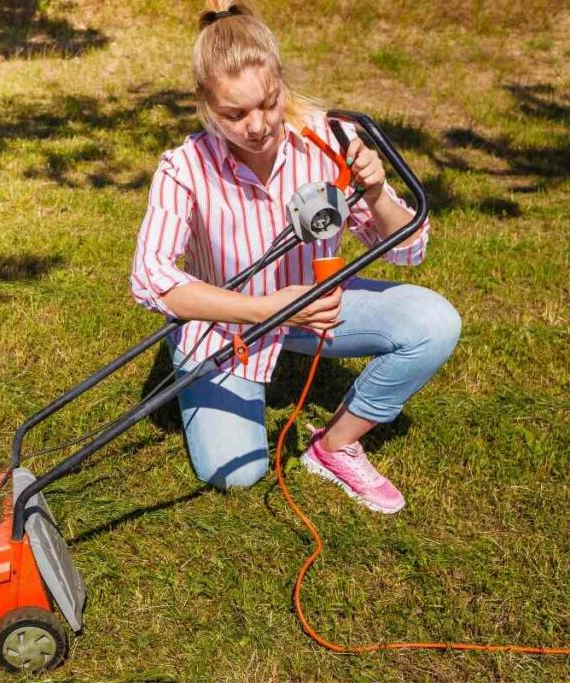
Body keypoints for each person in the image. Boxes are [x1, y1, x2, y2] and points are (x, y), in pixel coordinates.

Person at [129, 0, 461, 513]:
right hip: (229, 327)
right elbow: (152, 279)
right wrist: (268, 309)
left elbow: (409, 251)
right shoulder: (183, 168)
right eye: (233, 114)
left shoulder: (327, 140)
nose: (257, 126)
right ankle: (203, 372)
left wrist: (373, 193)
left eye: (267, 103)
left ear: (281, 83)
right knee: (235, 474)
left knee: (433, 323)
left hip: (316, 313)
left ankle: (334, 447)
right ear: (203, 102)